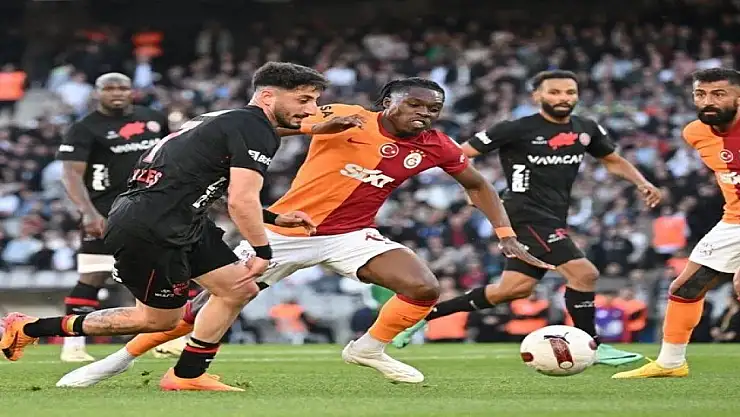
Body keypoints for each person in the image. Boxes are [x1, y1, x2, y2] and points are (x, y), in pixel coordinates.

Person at [55, 77, 551, 388]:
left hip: (351, 234)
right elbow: (270, 125)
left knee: (422, 286)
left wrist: (504, 231)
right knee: (196, 312)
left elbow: (477, 183)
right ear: (387, 102)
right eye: (415, 106)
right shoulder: (343, 116)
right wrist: (307, 128)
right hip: (288, 230)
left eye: (432, 109)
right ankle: (118, 360)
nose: (424, 115)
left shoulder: (435, 144)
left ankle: (368, 348)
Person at [0, 61, 326, 392]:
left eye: (314, 101)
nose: (311, 110)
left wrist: (273, 217)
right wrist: (262, 251)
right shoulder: (253, 129)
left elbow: (205, 185)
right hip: (152, 226)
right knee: (157, 320)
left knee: (238, 289)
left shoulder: (224, 120)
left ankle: (187, 375)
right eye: (303, 100)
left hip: (180, 218)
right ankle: (29, 328)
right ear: (268, 96)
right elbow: (240, 201)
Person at [391, 70, 661, 366]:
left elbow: (612, 160)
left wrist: (641, 182)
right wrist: (471, 188)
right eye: (554, 92)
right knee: (585, 274)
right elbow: (459, 153)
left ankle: (422, 317)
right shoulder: (516, 128)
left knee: (513, 289)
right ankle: (592, 346)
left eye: (570, 92)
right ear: (537, 96)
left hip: (553, 216)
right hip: (522, 214)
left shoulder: (586, 128)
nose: (563, 98)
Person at [613, 67, 740, 378]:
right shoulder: (695, 133)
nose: (708, 101)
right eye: (700, 94)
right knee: (685, 288)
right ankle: (671, 363)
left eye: (719, 94)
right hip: (734, 221)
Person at [56, 73, 169, 362]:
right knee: (94, 275)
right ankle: (73, 345)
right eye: (109, 88)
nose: (116, 93)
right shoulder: (84, 128)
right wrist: (88, 212)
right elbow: (71, 174)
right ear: (97, 92)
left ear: (132, 91)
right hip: (107, 213)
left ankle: (164, 341)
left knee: (165, 271)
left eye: (122, 88)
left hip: (153, 210)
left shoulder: (154, 119)